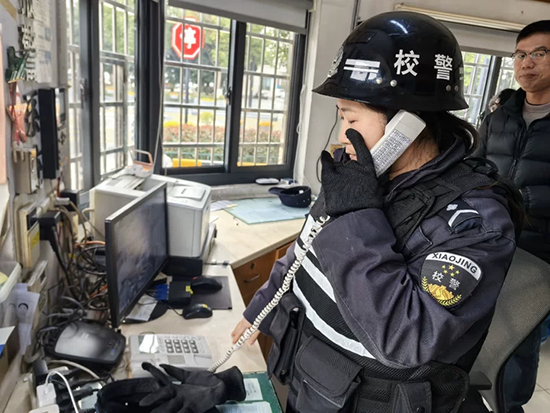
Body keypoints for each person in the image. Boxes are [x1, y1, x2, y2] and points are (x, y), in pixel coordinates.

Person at [232, 12, 521, 413]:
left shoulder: (475, 223)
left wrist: (357, 217)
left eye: (351, 118)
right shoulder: (362, 178)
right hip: (312, 376)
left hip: (368, 398)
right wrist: (261, 306)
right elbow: (306, 245)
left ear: (406, 125)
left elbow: (406, 338)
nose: (342, 135)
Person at [474, 19, 550, 413]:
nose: (526, 63)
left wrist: (524, 204)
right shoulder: (500, 114)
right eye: (520, 54)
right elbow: (475, 167)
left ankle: (511, 405)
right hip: (489, 238)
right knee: (477, 323)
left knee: (520, 336)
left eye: (539, 53)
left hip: (540, 251)